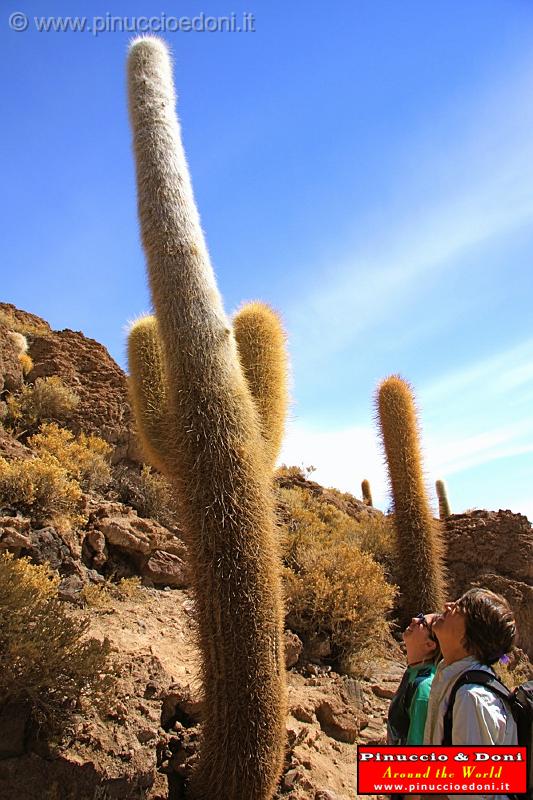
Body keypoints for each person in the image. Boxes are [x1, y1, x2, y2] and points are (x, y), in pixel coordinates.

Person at [424, 588, 517, 800]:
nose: (447, 606)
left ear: (474, 632)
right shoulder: (451, 676)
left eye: (459, 608)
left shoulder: (471, 697)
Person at [388, 612, 441, 746]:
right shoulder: (413, 672)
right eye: (419, 615)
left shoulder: (424, 687)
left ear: (430, 644)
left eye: (422, 622)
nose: (414, 619)